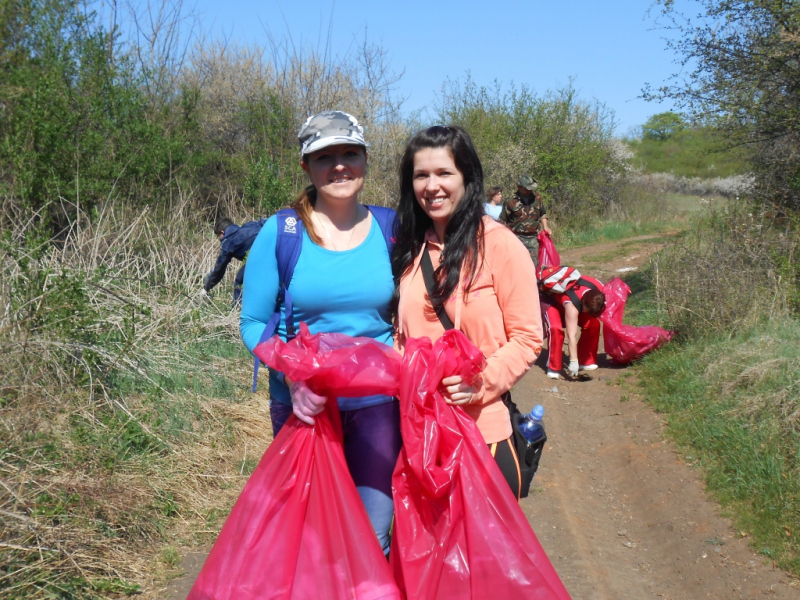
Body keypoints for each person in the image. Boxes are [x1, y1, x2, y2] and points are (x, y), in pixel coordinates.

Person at [239, 110, 401, 556]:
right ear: (306, 167)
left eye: (350, 153)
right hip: (305, 407)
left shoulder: (393, 229)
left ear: (366, 160)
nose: (339, 165)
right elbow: (252, 324)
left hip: (376, 406)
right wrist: (293, 377)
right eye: (324, 156)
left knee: (373, 534)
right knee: (311, 533)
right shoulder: (282, 232)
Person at [392, 125, 543, 500]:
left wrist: (481, 381)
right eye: (421, 175)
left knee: (481, 559)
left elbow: (528, 338)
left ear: (467, 178)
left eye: (444, 173)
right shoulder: (408, 250)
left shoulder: (500, 245)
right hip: (418, 439)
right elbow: (401, 337)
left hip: (481, 436)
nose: (432, 186)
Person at [540, 274, 606, 379]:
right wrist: (573, 361)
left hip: (570, 303)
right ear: (582, 303)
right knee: (555, 328)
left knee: (593, 324)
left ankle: (585, 360)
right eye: (585, 311)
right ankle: (553, 366)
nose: (584, 313)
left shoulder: (599, 289)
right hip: (551, 301)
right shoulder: (571, 304)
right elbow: (571, 336)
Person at [203, 217, 266, 305]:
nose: (219, 239)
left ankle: (238, 308)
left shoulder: (228, 242)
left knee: (240, 280)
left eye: (218, 236)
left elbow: (219, 270)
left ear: (222, 232)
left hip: (262, 257)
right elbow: (264, 221)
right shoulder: (250, 225)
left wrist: (206, 287)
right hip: (277, 251)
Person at [499, 175, 552, 265]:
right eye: (527, 189)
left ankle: (533, 279)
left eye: (531, 189)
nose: (529, 191)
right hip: (516, 238)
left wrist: (546, 227)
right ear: (519, 187)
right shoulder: (511, 201)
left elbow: (543, 214)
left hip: (533, 238)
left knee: (533, 264)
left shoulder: (537, 198)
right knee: (517, 264)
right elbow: (503, 221)